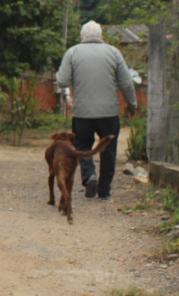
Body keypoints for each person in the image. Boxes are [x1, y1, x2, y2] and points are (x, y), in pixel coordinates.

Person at [55, 20, 136, 202]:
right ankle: (105, 190)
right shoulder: (114, 52)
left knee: (82, 147)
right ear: (101, 36)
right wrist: (132, 105)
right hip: (109, 113)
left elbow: (62, 81)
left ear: (82, 37)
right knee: (109, 150)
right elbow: (126, 82)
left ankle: (89, 176)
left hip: (82, 114)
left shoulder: (73, 52)